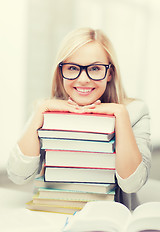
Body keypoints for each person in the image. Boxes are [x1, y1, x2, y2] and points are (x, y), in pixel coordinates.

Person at [7, 27, 151, 209]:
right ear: (61, 72)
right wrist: (41, 111)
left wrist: (120, 114)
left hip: (109, 219)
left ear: (109, 73)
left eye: (95, 68)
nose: (83, 79)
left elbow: (132, 184)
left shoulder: (135, 111)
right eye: (73, 68)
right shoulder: (46, 109)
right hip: (54, 215)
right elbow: (18, 176)